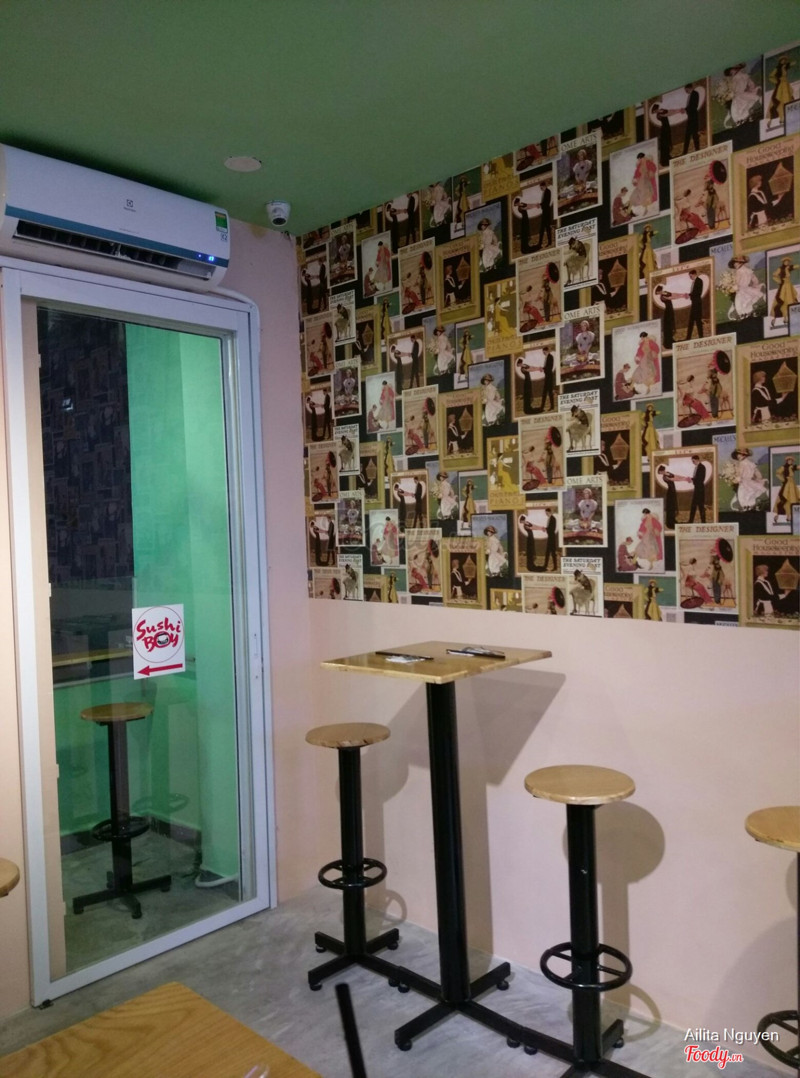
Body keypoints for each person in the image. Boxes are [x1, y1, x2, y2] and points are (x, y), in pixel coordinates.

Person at [728, 254, 764, 319]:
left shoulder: (739, 271)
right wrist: (754, 287)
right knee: (749, 301)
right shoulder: (748, 270)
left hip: (741, 290)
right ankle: (751, 312)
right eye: (734, 264)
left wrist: (732, 288)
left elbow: (737, 284)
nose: (735, 265)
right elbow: (755, 280)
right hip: (748, 289)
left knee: (741, 304)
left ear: (740, 263)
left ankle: (745, 314)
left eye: (735, 263)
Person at [770, 256, 799, 329]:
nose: (787, 262)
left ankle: (786, 318)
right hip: (783, 287)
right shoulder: (780, 269)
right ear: (783, 262)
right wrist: (779, 281)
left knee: (790, 300)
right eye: (786, 261)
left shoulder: (789, 267)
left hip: (789, 286)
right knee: (781, 300)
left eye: (788, 261)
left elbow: (796, 266)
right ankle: (775, 319)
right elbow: (774, 275)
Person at [767, 54, 794, 129]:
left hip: (786, 85)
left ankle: (786, 118)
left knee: (788, 99)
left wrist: (789, 63)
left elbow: (793, 63)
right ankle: (779, 119)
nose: (783, 61)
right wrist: (777, 81)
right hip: (780, 86)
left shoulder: (785, 67)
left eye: (785, 60)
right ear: (780, 61)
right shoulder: (777, 68)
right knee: (778, 101)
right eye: (782, 60)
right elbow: (770, 76)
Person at [773, 455, 799, 523]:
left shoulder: (792, 467)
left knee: (792, 499)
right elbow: (777, 473)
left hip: (792, 484)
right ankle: (777, 516)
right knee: (783, 498)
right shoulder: (783, 467)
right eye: (789, 460)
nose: (790, 461)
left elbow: (798, 467)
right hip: (786, 484)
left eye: (791, 461)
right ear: (787, 461)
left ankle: (789, 516)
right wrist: (783, 479)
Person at [653, 285, 676, 350]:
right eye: (658, 292)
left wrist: (663, 292)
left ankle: (670, 340)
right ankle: (668, 343)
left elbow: (670, 294)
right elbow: (667, 297)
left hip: (670, 310)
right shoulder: (661, 296)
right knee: (667, 327)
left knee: (670, 325)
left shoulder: (664, 293)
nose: (659, 293)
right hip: (667, 311)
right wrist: (662, 293)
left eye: (659, 291)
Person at [656, 463, 678, 528]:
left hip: (672, 491)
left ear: (662, 470)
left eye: (660, 472)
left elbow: (672, 475)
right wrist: (665, 474)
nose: (660, 473)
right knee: (670, 506)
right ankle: (670, 522)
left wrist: (666, 473)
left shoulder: (667, 473)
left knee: (672, 506)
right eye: (660, 472)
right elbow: (671, 478)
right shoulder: (664, 477)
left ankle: (673, 520)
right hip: (670, 492)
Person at [686, 269, 704, 339]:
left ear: (694, 274)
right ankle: (688, 337)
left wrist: (689, 295)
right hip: (694, 303)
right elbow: (694, 292)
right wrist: (689, 295)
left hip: (697, 304)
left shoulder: (699, 281)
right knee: (691, 321)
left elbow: (698, 292)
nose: (690, 277)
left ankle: (701, 336)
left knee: (698, 321)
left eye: (690, 276)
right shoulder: (694, 282)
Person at [535, 178, 553, 249]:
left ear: (544, 186)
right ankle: (542, 243)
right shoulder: (545, 192)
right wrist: (540, 205)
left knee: (545, 228)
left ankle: (547, 242)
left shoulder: (548, 191)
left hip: (546, 212)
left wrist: (540, 205)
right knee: (544, 228)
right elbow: (544, 202)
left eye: (541, 187)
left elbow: (546, 202)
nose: (541, 189)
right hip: (545, 212)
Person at [688, 454, 707, 523]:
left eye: (693, 461)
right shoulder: (698, 467)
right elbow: (697, 478)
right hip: (697, 489)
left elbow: (701, 479)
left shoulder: (702, 467)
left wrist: (692, 480)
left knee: (700, 506)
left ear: (697, 460)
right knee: (694, 506)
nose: (693, 462)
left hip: (700, 490)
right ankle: (691, 521)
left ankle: (703, 521)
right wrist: (691, 479)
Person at [537, 347, 556, 413]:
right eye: (543, 352)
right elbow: (546, 367)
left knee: (546, 392)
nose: (543, 353)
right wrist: (542, 368)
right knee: (547, 392)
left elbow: (549, 367)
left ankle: (543, 407)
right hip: (547, 376)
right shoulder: (547, 357)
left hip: (549, 377)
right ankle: (549, 407)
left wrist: (543, 369)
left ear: (547, 351)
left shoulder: (550, 357)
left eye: (544, 352)